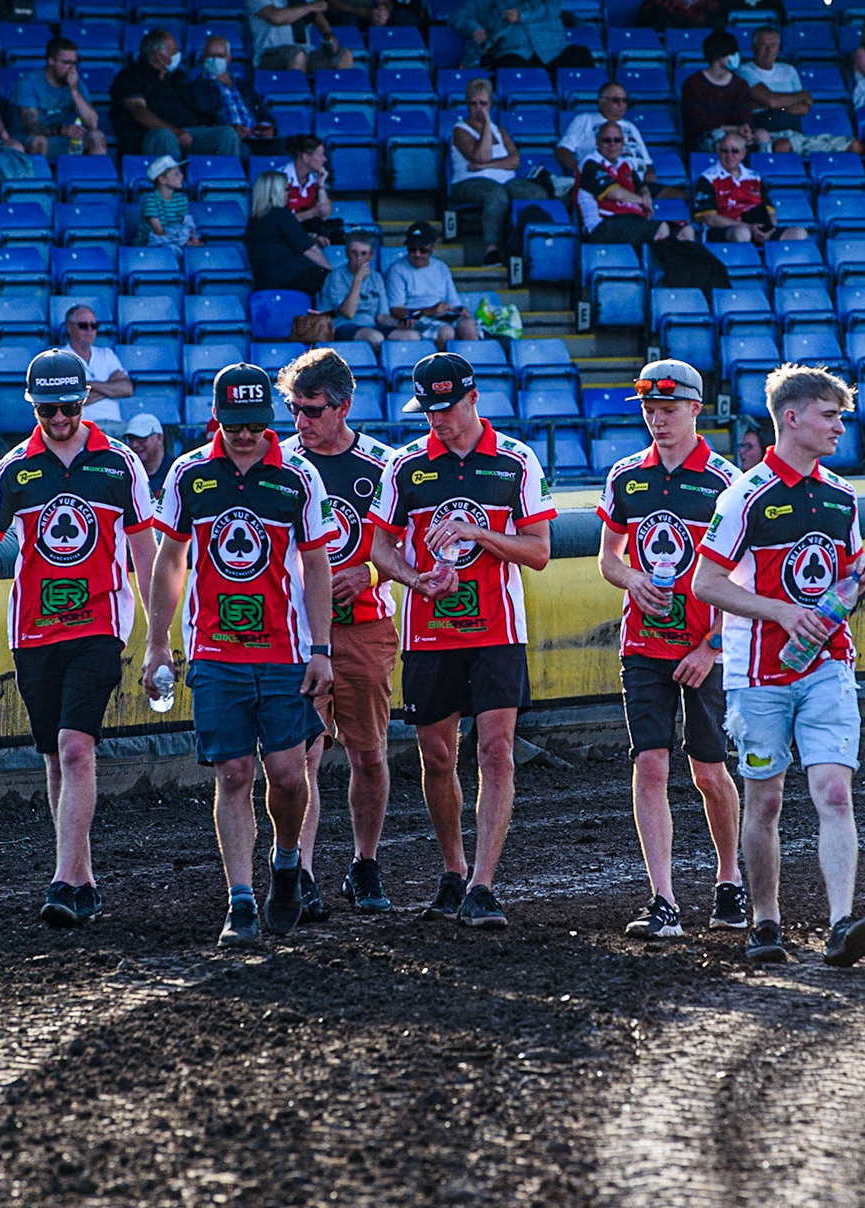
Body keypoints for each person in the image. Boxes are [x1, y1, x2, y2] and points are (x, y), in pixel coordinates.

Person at [691, 364, 865, 968]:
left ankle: (839, 924)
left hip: (828, 664)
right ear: (793, 417)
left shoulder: (842, 496)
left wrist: (864, 574)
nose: (839, 428)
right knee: (766, 800)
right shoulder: (745, 496)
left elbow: (846, 575)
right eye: (830, 416)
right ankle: (765, 923)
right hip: (756, 673)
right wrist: (777, 608)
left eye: (841, 417)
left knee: (834, 791)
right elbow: (706, 584)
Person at [0, 349, 159, 929]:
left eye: (68, 406)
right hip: (32, 630)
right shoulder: (13, 469)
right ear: (35, 407)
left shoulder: (120, 463)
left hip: (101, 624)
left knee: (76, 748)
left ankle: (62, 881)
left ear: (85, 401)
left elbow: (146, 549)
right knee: (54, 757)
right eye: (48, 408)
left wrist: (157, 631)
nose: (59, 418)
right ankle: (85, 876)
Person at [143, 361, 334, 944]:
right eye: (233, 424)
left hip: (284, 649)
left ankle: (284, 859)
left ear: (268, 421)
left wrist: (321, 649)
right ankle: (241, 899)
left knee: (288, 773)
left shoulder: (298, 478)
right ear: (216, 420)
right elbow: (169, 559)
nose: (244, 434)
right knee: (232, 772)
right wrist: (157, 642)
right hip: (214, 651)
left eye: (254, 423)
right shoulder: (187, 475)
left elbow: (319, 564)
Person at [367, 352, 556, 929]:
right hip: (429, 629)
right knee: (436, 754)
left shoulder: (516, 461)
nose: (436, 420)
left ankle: (482, 884)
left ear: (474, 399)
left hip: (498, 629)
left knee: (495, 751)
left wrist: (479, 532)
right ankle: (453, 870)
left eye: (445, 409)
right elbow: (380, 547)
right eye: (427, 410)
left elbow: (540, 551)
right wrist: (413, 576)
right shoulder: (404, 467)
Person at [596, 359, 745, 938]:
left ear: (695, 410)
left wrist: (709, 647)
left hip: (707, 649)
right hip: (643, 645)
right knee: (650, 763)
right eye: (649, 411)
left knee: (709, 771)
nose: (657, 421)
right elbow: (609, 557)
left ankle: (728, 880)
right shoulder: (626, 476)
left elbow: (746, 578)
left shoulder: (727, 483)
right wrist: (628, 579)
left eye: (668, 411)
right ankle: (663, 899)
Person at [280, 348, 401, 917]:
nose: (300, 422)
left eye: (312, 410)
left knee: (369, 756)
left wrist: (371, 570)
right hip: (297, 632)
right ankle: (299, 872)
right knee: (302, 754)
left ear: (344, 406)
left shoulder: (386, 465)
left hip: (364, 627)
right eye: (294, 410)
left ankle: (364, 863)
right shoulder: (278, 464)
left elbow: (412, 546)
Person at [448, 79, 551, 265]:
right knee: (496, 195)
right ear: (467, 104)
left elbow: (515, 161)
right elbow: (480, 156)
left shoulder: (500, 131)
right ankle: (491, 250)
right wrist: (486, 123)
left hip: (504, 181)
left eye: (483, 104)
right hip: (468, 183)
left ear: (491, 104)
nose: (479, 108)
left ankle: (525, 244)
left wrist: (489, 166)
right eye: (474, 103)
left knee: (536, 192)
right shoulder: (460, 130)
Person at [109, 28, 241, 161]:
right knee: (165, 136)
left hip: (188, 133)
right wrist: (176, 132)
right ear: (159, 56)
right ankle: (173, 181)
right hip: (152, 136)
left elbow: (196, 107)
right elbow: (139, 112)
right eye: (174, 52)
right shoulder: (130, 77)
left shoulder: (177, 77)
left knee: (226, 135)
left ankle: (226, 179)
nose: (178, 55)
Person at [740, 26, 861, 154]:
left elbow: (804, 107)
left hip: (797, 137)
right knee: (783, 146)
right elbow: (771, 100)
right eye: (763, 45)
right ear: (753, 48)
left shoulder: (789, 70)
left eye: (773, 45)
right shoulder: (745, 71)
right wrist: (792, 99)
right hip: (766, 135)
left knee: (855, 146)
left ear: (778, 47)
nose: (769, 50)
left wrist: (772, 105)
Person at [576, 121, 695, 244]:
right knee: (660, 229)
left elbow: (642, 187)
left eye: (617, 140)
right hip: (603, 225)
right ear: (597, 141)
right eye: (607, 140)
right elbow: (615, 194)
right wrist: (642, 201)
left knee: (686, 232)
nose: (612, 144)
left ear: (623, 142)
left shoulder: (625, 164)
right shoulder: (590, 164)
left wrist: (647, 197)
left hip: (633, 221)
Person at [554, 82, 678, 198]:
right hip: (605, 183)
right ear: (601, 102)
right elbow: (563, 150)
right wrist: (580, 169)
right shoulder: (585, 120)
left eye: (624, 100)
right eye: (616, 100)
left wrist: (650, 173)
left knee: (678, 195)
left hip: (637, 184)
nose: (621, 104)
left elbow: (647, 162)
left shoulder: (631, 127)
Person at [693, 133, 806, 243]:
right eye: (724, 151)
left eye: (735, 151)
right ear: (718, 151)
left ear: (743, 153)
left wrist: (769, 232)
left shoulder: (755, 177)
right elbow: (710, 218)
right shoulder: (707, 179)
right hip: (726, 230)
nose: (729, 155)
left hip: (759, 228)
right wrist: (749, 227)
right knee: (742, 233)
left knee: (799, 233)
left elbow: (770, 212)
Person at [385, 221, 479, 344]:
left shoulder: (441, 267)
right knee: (446, 332)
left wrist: (461, 311)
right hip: (418, 319)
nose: (417, 254)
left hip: (445, 316)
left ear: (433, 248)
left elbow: (455, 303)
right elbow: (396, 311)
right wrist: (429, 310)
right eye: (412, 249)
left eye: (423, 250)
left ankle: (471, 362)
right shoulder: (397, 269)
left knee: (469, 326)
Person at [14, 37, 107, 157]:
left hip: (61, 138)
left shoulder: (76, 83)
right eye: (67, 63)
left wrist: (74, 90)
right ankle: (41, 176)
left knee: (97, 137)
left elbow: (92, 123)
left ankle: (96, 175)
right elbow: (31, 127)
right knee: (38, 141)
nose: (72, 68)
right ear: (51, 61)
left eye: (74, 63)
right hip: (27, 141)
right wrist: (60, 130)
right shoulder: (29, 82)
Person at [245, 170, 332, 295]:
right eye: (286, 190)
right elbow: (310, 250)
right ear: (276, 192)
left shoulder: (253, 221)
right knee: (333, 281)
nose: (289, 194)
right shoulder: (280, 214)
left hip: (266, 281)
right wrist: (332, 271)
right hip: (290, 276)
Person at [450, 0, 596, 70]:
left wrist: (522, 15)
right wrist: (474, 28)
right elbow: (457, 17)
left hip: (552, 50)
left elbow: (553, 7)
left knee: (581, 56)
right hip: (514, 52)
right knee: (509, 66)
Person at [197, 35, 278, 157]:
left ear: (229, 58)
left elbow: (262, 111)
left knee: (284, 146)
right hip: (231, 139)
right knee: (244, 150)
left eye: (220, 56)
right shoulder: (198, 87)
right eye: (211, 56)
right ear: (203, 58)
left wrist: (269, 128)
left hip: (256, 137)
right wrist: (232, 128)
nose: (215, 60)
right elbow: (204, 119)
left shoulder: (243, 84)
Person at [681, 31, 761, 153]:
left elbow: (745, 115)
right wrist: (732, 129)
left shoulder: (740, 84)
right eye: (732, 53)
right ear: (719, 55)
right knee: (719, 137)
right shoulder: (694, 84)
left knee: (762, 136)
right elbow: (698, 123)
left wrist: (746, 129)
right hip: (705, 138)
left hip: (736, 134)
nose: (736, 57)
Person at [319, 230, 393, 347]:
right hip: (342, 327)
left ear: (371, 255)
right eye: (354, 253)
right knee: (375, 338)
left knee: (410, 336)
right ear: (347, 253)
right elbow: (348, 313)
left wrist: (399, 323)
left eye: (364, 254)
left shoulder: (377, 278)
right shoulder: (336, 276)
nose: (358, 258)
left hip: (371, 326)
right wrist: (358, 279)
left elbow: (382, 315)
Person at [60, 303, 131, 426]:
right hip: (82, 427)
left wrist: (88, 385)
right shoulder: (60, 358)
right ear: (69, 327)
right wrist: (110, 387)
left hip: (115, 426)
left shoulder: (106, 354)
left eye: (94, 325)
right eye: (83, 325)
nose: (89, 329)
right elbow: (71, 400)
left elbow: (127, 389)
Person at [248, 0, 354, 72]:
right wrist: (310, 7)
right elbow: (276, 17)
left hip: (306, 51)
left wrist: (327, 33)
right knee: (298, 55)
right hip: (269, 54)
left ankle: (339, 102)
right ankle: (297, 102)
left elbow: (316, 14)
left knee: (344, 55)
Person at [281, 134, 340, 242]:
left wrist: (321, 183)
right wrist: (312, 213)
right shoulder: (280, 179)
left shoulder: (316, 178)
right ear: (306, 158)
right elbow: (279, 223)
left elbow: (324, 215)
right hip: (285, 236)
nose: (325, 160)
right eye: (321, 155)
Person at [139, 154, 202, 251]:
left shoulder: (181, 199)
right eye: (176, 174)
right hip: (152, 244)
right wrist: (183, 240)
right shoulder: (151, 199)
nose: (182, 176)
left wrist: (191, 237)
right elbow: (158, 231)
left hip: (175, 239)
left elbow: (187, 223)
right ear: (162, 179)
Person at [119, 411, 172, 502]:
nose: (134, 445)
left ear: (160, 438)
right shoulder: (126, 473)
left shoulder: (175, 472)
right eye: (131, 439)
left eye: (141, 438)